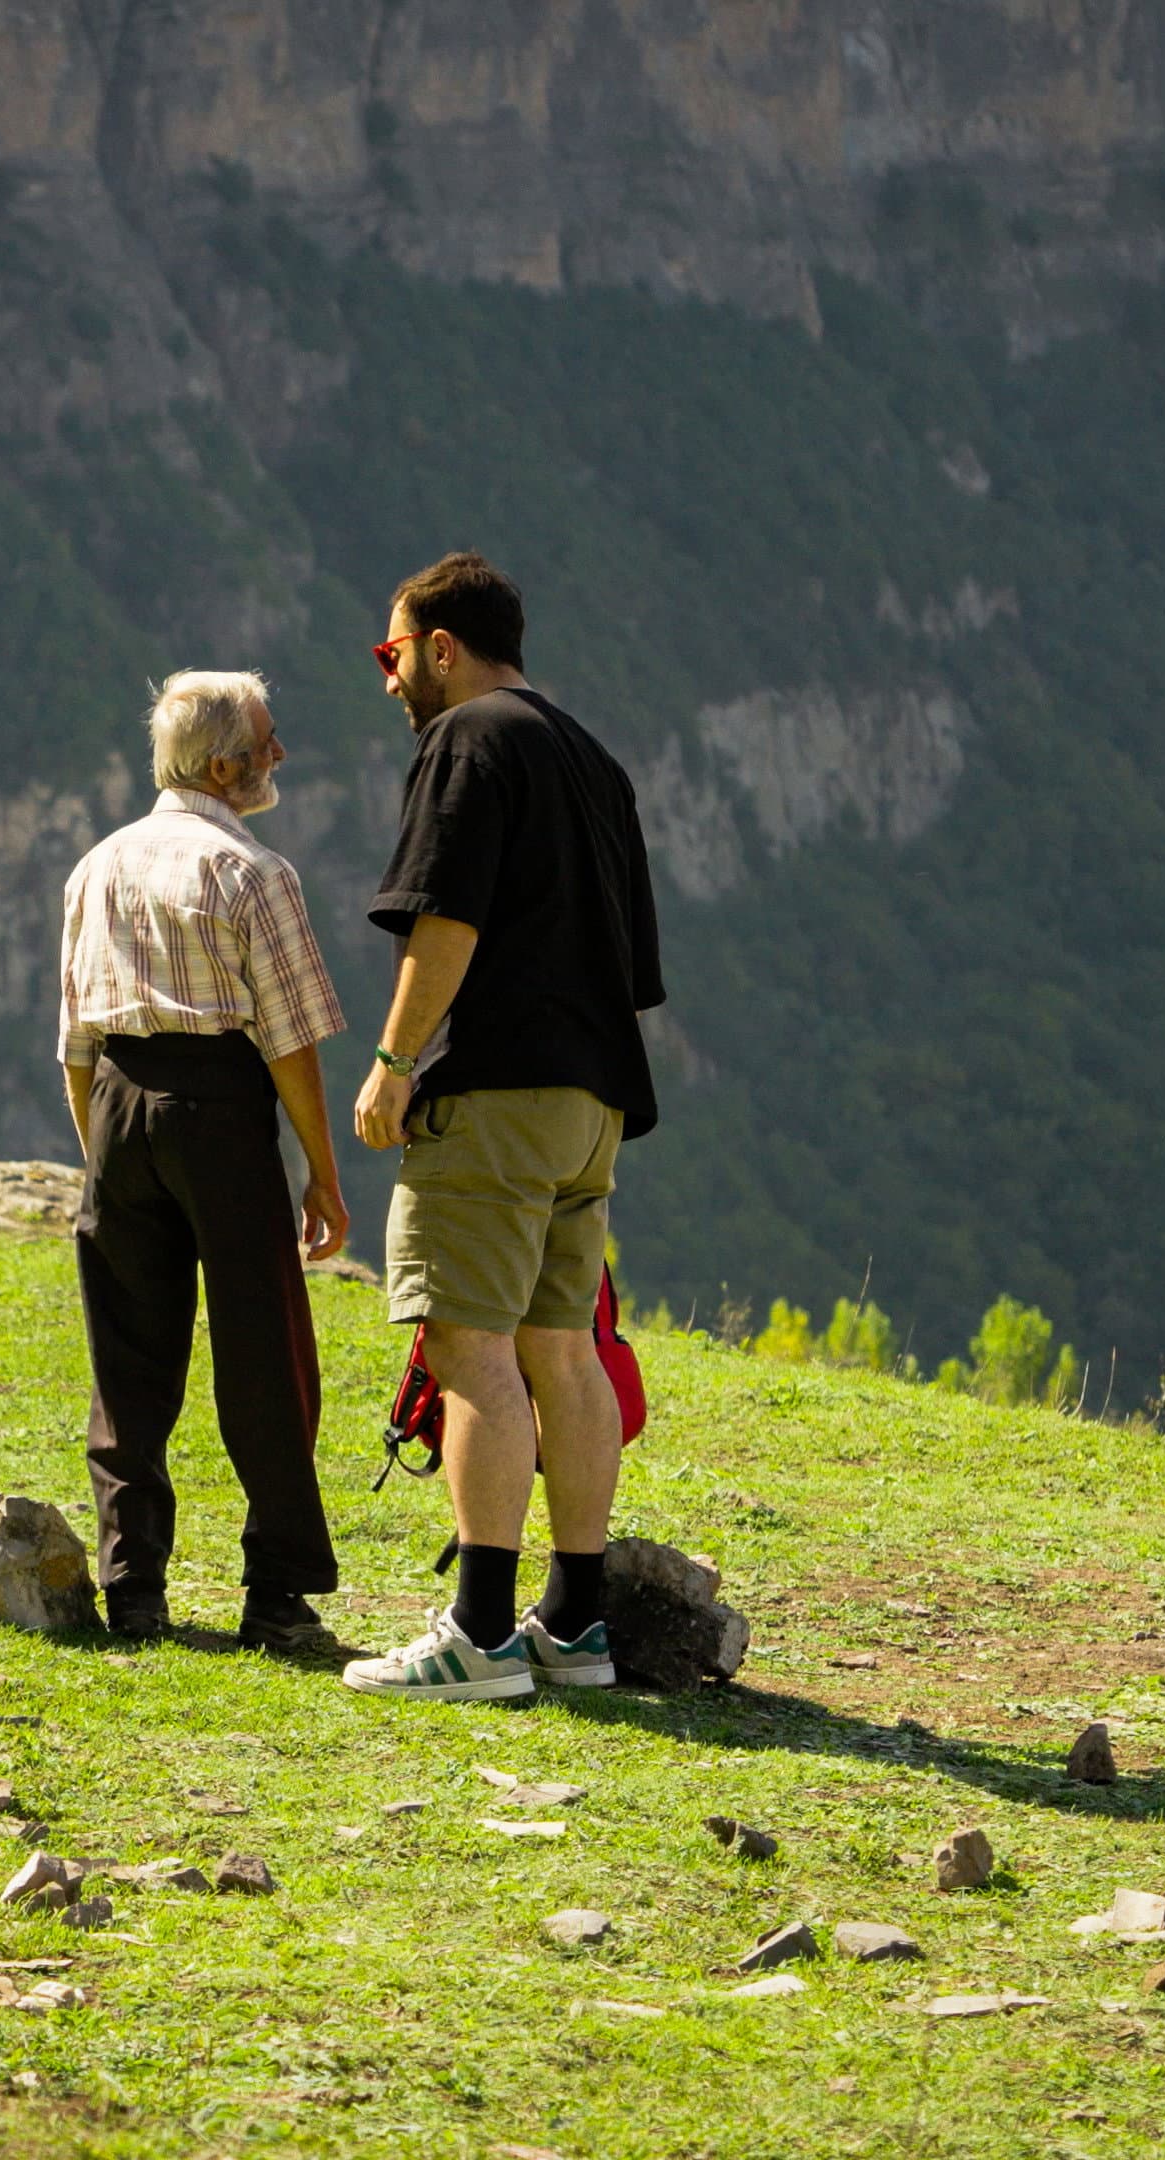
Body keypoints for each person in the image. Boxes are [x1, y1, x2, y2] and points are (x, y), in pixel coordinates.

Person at [337, 553, 666, 1705]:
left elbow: (449, 917)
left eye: (392, 655)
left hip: (496, 1096)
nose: (387, 682)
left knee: (465, 1344)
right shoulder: (594, 759)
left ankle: (478, 1634)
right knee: (562, 1350)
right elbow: (633, 964)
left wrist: (390, 1064)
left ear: (440, 646)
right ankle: (574, 1627)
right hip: (593, 1103)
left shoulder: (468, 739)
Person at [58, 669, 354, 1651]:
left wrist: (100, 1149)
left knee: (129, 1360)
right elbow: (291, 1038)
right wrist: (321, 1169)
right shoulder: (251, 872)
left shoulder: (95, 866)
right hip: (221, 1110)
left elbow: (77, 1042)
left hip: (118, 1109)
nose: (280, 755)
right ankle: (276, 1592)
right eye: (267, 741)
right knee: (264, 1355)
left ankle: (132, 1589)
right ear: (223, 765)